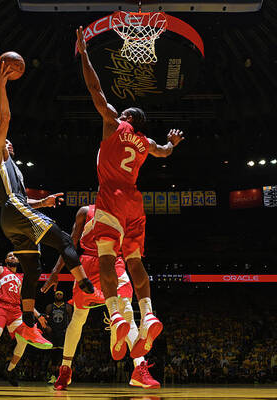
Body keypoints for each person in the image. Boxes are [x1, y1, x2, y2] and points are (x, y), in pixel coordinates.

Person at [75, 26, 184, 359]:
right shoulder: (144, 142)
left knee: (107, 258)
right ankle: (147, 312)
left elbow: (94, 87)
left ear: (127, 118)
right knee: (134, 261)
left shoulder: (113, 123)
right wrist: (172, 144)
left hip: (111, 195)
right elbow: (163, 151)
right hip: (135, 201)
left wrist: (84, 54)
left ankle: (117, 314)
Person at [0, 60, 95, 346]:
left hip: (12, 218)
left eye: (9, 142)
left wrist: (42, 202)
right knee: (64, 241)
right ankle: (86, 286)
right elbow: (4, 120)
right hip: (13, 210)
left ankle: (25, 324)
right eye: (4, 141)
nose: (8, 143)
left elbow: (18, 205)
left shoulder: (16, 172)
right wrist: (2, 85)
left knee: (33, 270)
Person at [43, 205, 160, 390]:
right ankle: (65, 369)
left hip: (115, 262)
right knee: (78, 317)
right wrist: (56, 271)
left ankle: (139, 368)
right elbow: (70, 243)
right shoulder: (85, 211)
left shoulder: (123, 210)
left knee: (127, 309)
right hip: (88, 263)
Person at [0, 251, 48, 386]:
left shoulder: (21, 277)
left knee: (24, 340)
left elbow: (26, 300)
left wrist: (39, 315)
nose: (12, 256)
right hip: (0, 306)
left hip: (16, 310)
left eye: (15, 255)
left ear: (19, 261)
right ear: (6, 260)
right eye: (9, 255)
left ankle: (10, 369)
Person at [44, 290, 73, 383]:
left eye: (61, 294)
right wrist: (47, 327)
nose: (59, 295)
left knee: (61, 356)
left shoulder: (67, 307)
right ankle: (53, 377)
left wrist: (69, 330)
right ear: (55, 295)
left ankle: (61, 376)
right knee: (53, 357)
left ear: (63, 296)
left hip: (63, 333)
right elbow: (45, 319)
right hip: (52, 333)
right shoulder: (49, 307)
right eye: (57, 294)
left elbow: (72, 320)